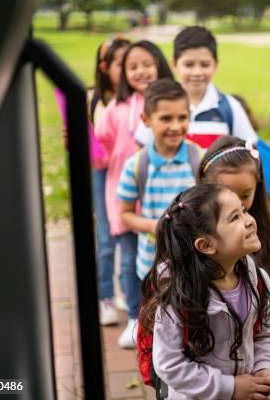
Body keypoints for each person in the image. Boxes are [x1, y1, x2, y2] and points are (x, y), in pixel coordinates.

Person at [139, 184, 270, 399]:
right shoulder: (178, 296)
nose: (250, 220)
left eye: (243, 210)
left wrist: (264, 367)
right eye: (235, 218)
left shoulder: (258, 279)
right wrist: (229, 388)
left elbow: (267, 331)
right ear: (206, 245)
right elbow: (170, 365)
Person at [95, 40, 174, 349]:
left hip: (161, 196)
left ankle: (168, 318)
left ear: (159, 65)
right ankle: (134, 318)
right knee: (129, 261)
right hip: (126, 199)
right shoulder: (116, 110)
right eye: (133, 66)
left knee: (166, 261)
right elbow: (100, 154)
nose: (140, 71)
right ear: (123, 74)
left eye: (146, 64)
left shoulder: (170, 103)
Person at [117, 78, 199, 281]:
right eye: (166, 118)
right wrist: (152, 226)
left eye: (182, 117)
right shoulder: (135, 166)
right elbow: (125, 214)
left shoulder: (199, 159)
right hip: (152, 267)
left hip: (195, 264)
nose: (176, 126)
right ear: (146, 120)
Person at [198, 136, 270, 299]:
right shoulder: (198, 238)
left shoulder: (263, 233)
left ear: (256, 188)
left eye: (245, 195)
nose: (237, 204)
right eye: (228, 195)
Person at [89, 36, 130, 326]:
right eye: (121, 63)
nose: (127, 69)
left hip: (128, 170)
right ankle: (105, 295)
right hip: (102, 172)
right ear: (105, 67)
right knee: (106, 238)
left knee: (129, 233)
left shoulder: (136, 98)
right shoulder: (94, 98)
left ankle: (126, 290)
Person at [171, 26, 258, 149]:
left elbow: (249, 151)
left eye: (205, 64)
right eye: (189, 65)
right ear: (174, 65)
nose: (197, 72)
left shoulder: (230, 107)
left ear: (215, 65)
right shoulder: (161, 105)